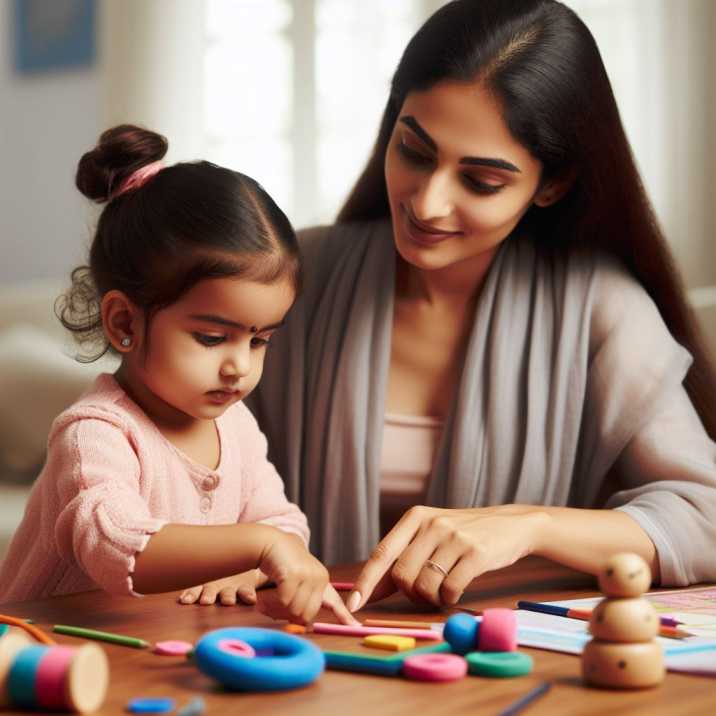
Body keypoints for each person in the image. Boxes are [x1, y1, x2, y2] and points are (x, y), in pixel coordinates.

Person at [247, 0, 716, 613]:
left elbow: (706, 515)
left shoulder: (597, 306)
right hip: (297, 646)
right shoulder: (289, 282)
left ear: (552, 183)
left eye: (482, 181)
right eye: (414, 150)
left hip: (495, 668)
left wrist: (532, 526)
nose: (428, 202)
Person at [0, 124, 354, 625]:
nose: (240, 366)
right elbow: (114, 544)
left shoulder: (234, 427)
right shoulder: (95, 432)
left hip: (155, 650)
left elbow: (280, 521)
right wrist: (258, 545)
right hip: (41, 659)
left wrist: (252, 567)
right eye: (212, 337)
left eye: (260, 340)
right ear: (124, 322)